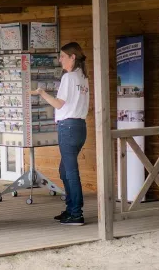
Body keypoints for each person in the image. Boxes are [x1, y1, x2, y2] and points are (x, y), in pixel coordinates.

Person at [33, 41, 90, 226]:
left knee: (70, 172)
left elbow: (59, 103)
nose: (60, 60)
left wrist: (42, 93)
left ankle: (76, 213)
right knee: (64, 170)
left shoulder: (69, 77)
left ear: (73, 57)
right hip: (80, 126)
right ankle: (70, 208)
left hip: (68, 127)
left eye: (63, 56)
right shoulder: (83, 78)